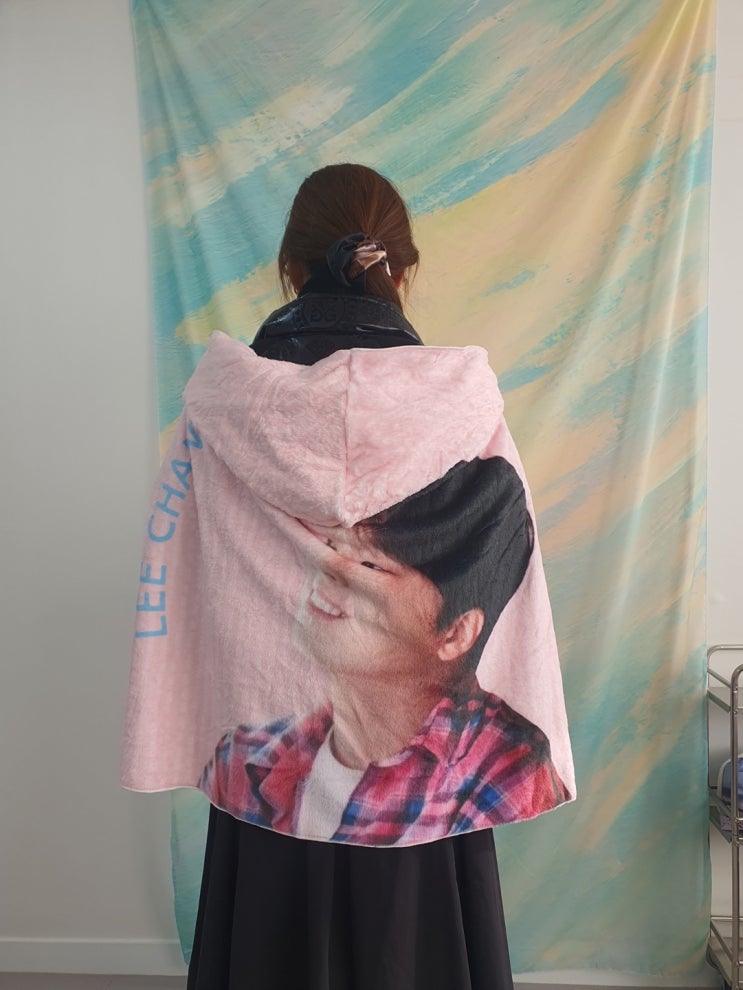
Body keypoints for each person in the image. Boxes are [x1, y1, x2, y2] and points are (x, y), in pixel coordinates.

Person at [123, 162, 574, 990]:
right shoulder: (461, 410)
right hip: (421, 825)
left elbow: (179, 568)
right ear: (400, 269)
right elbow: (507, 554)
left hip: (265, 799)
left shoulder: (218, 407)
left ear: (289, 268)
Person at [200, 456, 568, 844]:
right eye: (329, 546)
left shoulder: (508, 769)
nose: (330, 568)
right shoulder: (244, 759)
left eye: (371, 566)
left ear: (455, 634)